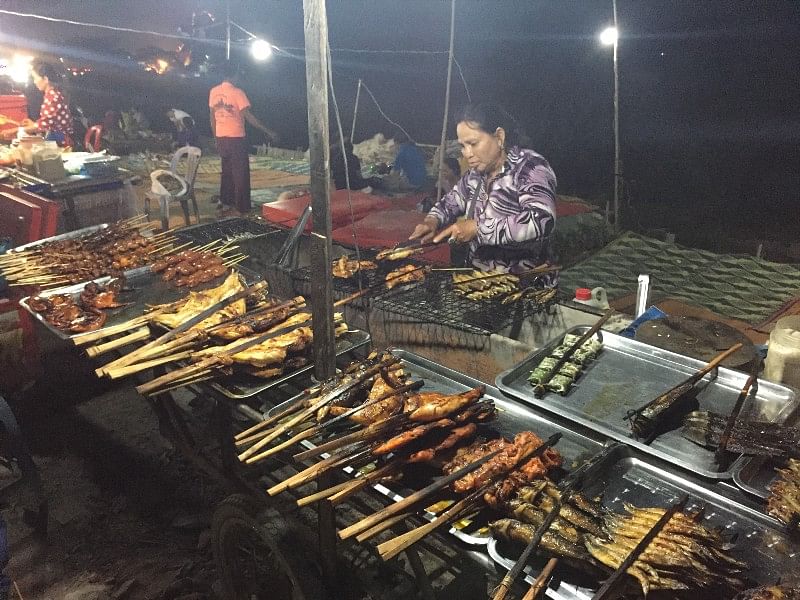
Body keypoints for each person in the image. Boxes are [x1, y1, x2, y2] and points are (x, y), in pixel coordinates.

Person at [409, 102, 557, 281]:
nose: (467, 153)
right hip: (481, 284)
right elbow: (451, 202)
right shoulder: (475, 175)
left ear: (499, 136)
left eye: (473, 143)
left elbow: (542, 220)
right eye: (463, 146)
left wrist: (478, 229)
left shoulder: (531, 167)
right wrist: (432, 221)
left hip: (526, 289)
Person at [209, 62, 277, 214]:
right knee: (240, 173)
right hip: (236, 138)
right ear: (235, 75)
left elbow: (212, 117)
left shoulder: (213, 91)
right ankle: (241, 206)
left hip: (221, 137)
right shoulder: (238, 93)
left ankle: (226, 201)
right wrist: (268, 131)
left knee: (226, 171)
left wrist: (215, 137)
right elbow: (249, 117)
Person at [25, 60, 74, 147]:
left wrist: (17, 130)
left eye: (35, 78)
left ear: (45, 79)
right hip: (56, 139)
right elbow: (48, 123)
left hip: (60, 143)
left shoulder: (53, 97)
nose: (35, 82)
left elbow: (44, 125)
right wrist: (32, 124)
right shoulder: (52, 94)